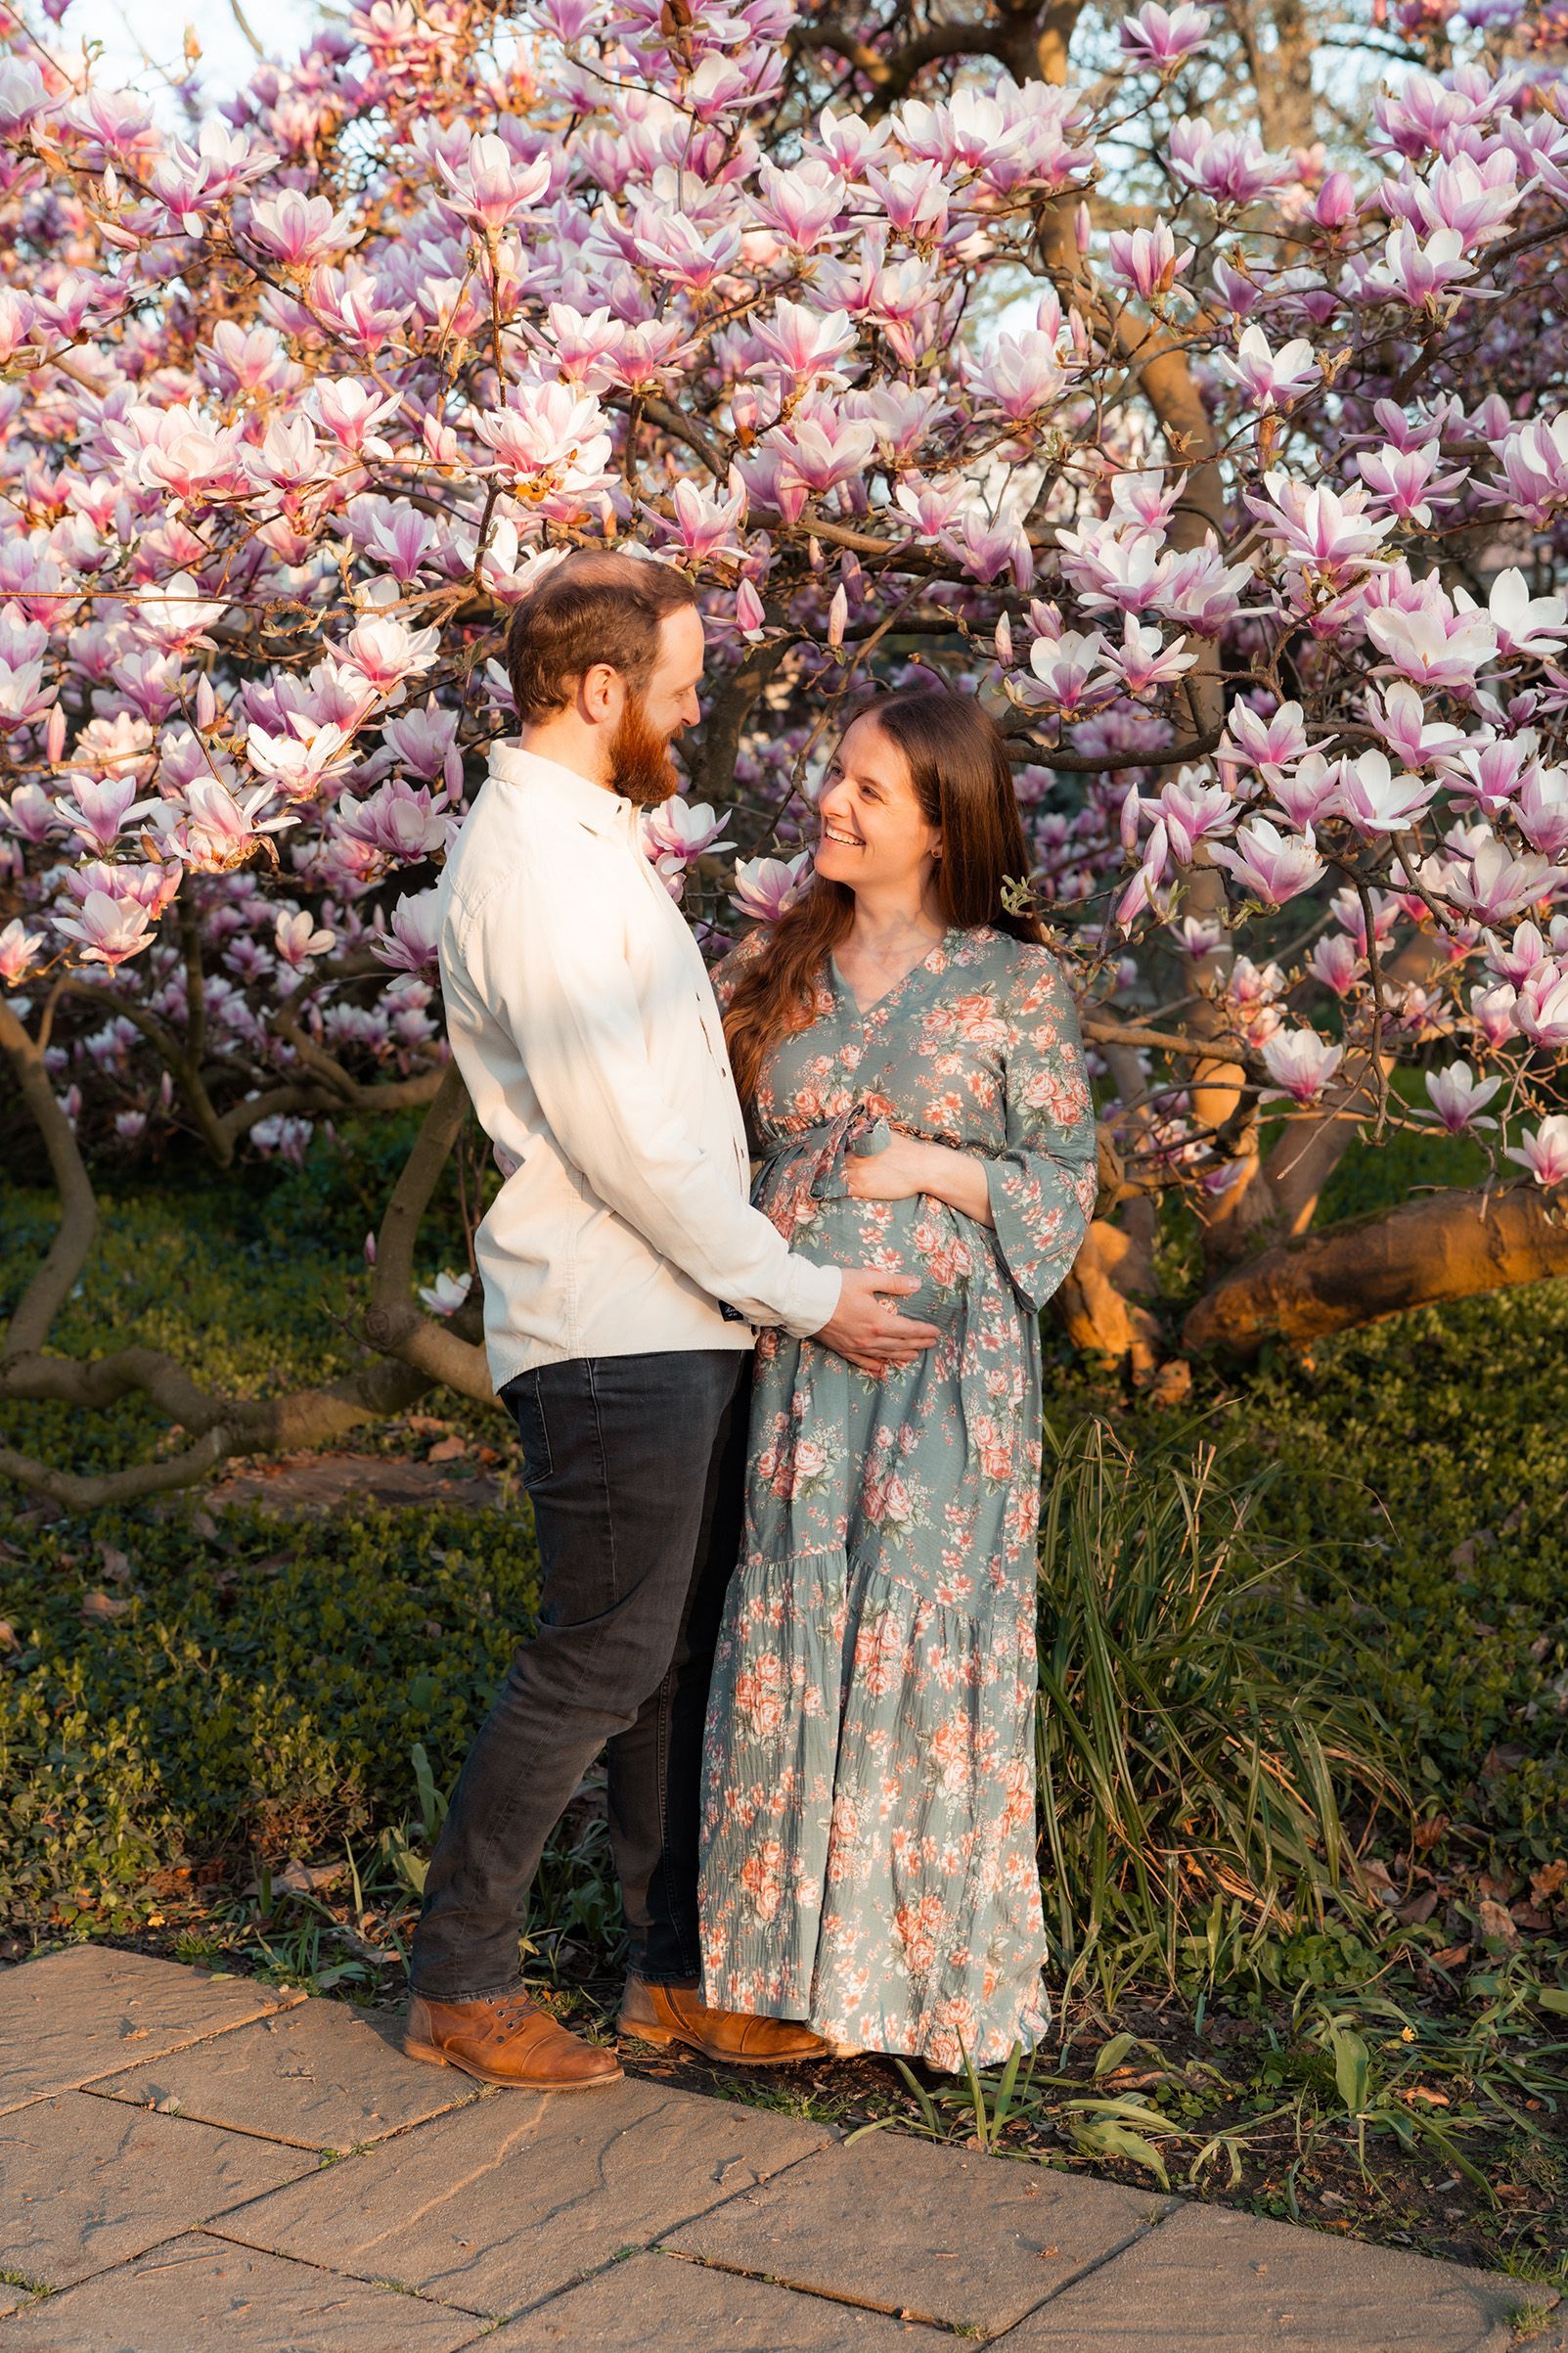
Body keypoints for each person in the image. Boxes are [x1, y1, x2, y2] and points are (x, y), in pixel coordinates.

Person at [404, 551, 940, 2093]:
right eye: (683, 688)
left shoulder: (590, 840)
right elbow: (631, 1151)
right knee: (598, 1656)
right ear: (601, 689)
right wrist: (808, 1295)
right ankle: (458, 1979)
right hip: (609, 1329)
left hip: (673, 1319)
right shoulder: (538, 869)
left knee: (667, 1657)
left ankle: (670, 1975)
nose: (697, 715)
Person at [698, 687, 1098, 2074]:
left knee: (916, 1631)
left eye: (869, 788)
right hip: (801, 1369)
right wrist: (798, 1243)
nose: (832, 801)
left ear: (941, 824)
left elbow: (1063, 1184)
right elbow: (708, 1169)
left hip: (948, 1383)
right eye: (835, 773)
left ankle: (913, 1985)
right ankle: (774, 1979)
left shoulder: (1015, 984)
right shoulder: (772, 970)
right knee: (796, 1630)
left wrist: (926, 1164)